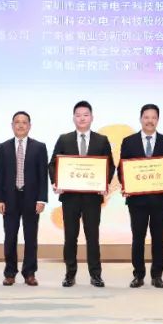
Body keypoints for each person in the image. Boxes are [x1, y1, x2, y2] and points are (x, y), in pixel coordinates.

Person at [49, 100, 115, 288]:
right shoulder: (64, 139)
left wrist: (104, 183)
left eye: (85, 115)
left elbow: (110, 165)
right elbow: (53, 164)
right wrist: (56, 182)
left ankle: (96, 275)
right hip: (70, 197)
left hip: (92, 197)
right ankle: (70, 274)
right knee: (70, 237)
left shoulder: (101, 140)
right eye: (78, 115)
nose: (82, 118)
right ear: (73, 118)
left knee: (92, 237)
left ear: (91, 117)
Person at [118, 104, 163, 288]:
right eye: (146, 117)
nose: (150, 121)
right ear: (140, 119)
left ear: (157, 120)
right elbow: (122, 168)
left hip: (160, 200)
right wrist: (126, 184)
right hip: (136, 200)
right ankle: (138, 275)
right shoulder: (129, 142)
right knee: (138, 238)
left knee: (158, 238)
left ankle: (157, 275)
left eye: (153, 117)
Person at [0, 111, 48, 286]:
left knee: (31, 237)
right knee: (10, 237)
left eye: (24, 122)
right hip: (9, 198)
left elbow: (43, 175)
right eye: (17, 122)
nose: (21, 125)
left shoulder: (39, 147)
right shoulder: (3, 147)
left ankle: (29, 273)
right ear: (12, 125)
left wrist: (42, 199)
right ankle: (10, 273)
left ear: (29, 126)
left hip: (31, 198)